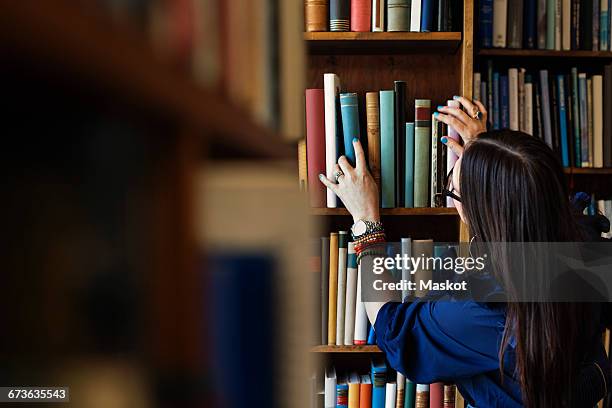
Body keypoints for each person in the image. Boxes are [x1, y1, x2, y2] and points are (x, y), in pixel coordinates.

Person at [318, 97, 610, 407]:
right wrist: (489, 158)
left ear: (480, 213)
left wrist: (366, 223)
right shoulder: (584, 244)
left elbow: (394, 329)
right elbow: (525, 195)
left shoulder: (480, 313)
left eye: (451, 189)